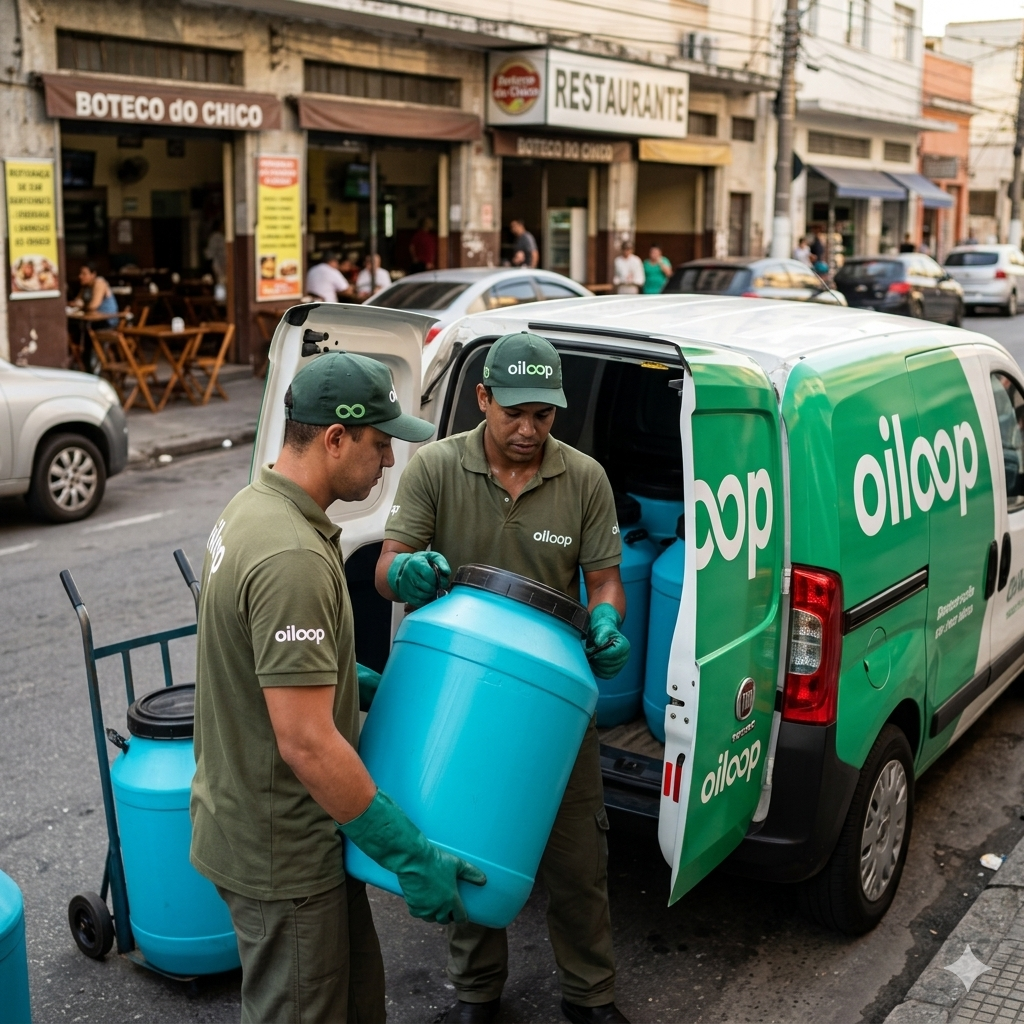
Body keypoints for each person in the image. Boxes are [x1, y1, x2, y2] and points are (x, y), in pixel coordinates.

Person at [190, 352, 486, 1023]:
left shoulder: (253, 506)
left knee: (353, 1001)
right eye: (381, 444)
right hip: (283, 849)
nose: (387, 462)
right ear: (334, 438)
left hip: (278, 826)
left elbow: (247, 655)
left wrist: (346, 677)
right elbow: (305, 742)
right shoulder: (290, 553)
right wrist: (408, 853)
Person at [375, 333, 631, 1024]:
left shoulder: (584, 478)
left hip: (550, 698)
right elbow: (387, 562)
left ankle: (591, 996)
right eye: (514, 412)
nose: (528, 430)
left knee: (579, 859)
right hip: (461, 694)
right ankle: (476, 994)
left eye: (544, 416)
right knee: (469, 839)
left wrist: (607, 624)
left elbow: (605, 580)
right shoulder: (435, 467)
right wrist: (406, 574)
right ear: (482, 398)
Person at [71, 262, 119, 327]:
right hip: (91, 320)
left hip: (106, 321)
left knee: (76, 327)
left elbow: (93, 306)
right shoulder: (85, 286)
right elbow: (76, 302)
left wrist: (81, 306)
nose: (80, 276)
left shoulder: (99, 283)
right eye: (80, 273)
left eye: (84, 274)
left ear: (93, 274)